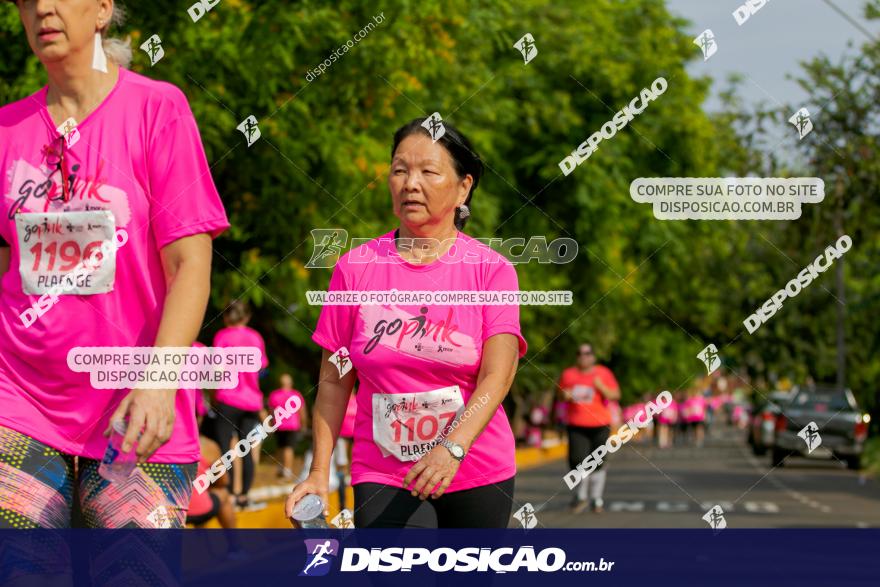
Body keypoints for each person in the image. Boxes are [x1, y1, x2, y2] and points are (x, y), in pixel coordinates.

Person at [0, 0, 228, 530]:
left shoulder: (158, 109)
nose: (43, 8)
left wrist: (160, 379)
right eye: (27, 1)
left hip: (136, 401)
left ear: (102, 10)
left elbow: (190, 264)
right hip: (19, 399)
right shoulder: (6, 130)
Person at [286, 118, 527, 528]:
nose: (410, 183)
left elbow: (498, 375)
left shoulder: (491, 271)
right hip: (383, 468)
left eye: (428, 172)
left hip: (473, 462)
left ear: (463, 187)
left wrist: (451, 448)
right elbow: (333, 378)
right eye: (400, 170)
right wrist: (318, 473)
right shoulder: (355, 269)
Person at [211, 300, 269, 510]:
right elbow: (262, 368)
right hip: (251, 401)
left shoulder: (222, 337)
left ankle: (231, 495)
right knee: (246, 449)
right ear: (247, 317)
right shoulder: (255, 337)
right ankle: (244, 496)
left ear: (226, 317)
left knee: (225, 449)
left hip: (227, 398)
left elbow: (216, 371)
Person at [558, 343, 620, 514]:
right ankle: (581, 495)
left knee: (598, 462)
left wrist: (602, 387)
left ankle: (596, 498)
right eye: (580, 353)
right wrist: (564, 395)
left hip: (600, 424)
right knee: (577, 460)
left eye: (587, 353)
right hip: (576, 424)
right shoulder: (568, 374)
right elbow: (560, 396)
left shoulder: (603, 373)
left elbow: (616, 395)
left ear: (593, 356)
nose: (584, 356)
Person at [268, 373, 307, 480]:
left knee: (280, 447)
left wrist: (271, 424)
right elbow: (302, 411)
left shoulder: (274, 395)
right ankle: (287, 470)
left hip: (279, 424)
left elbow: (271, 412)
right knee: (288, 448)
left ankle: (281, 469)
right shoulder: (296, 395)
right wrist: (303, 424)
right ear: (290, 383)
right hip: (292, 425)